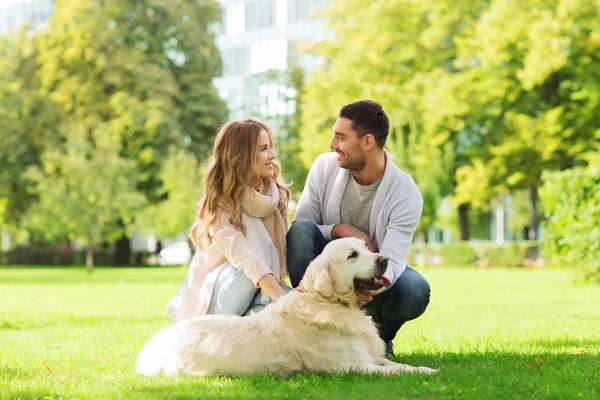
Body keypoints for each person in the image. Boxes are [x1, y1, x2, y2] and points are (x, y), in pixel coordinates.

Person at [287, 100, 430, 356]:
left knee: (415, 290)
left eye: (341, 137)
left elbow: (393, 261)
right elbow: (302, 226)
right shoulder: (323, 167)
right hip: (328, 273)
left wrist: (369, 286)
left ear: (367, 142)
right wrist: (338, 230)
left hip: (372, 276)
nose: (332, 145)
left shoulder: (406, 194)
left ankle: (377, 340)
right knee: (299, 233)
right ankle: (307, 329)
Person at [167, 119, 291, 323]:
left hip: (262, 289)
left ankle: (246, 329)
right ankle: (210, 333)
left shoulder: (275, 196)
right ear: (241, 157)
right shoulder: (220, 203)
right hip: (219, 295)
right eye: (263, 149)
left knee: (277, 314)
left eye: (270, 147)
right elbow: (246, 258)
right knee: (249, 275)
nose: (272, 156)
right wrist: (285, 301)